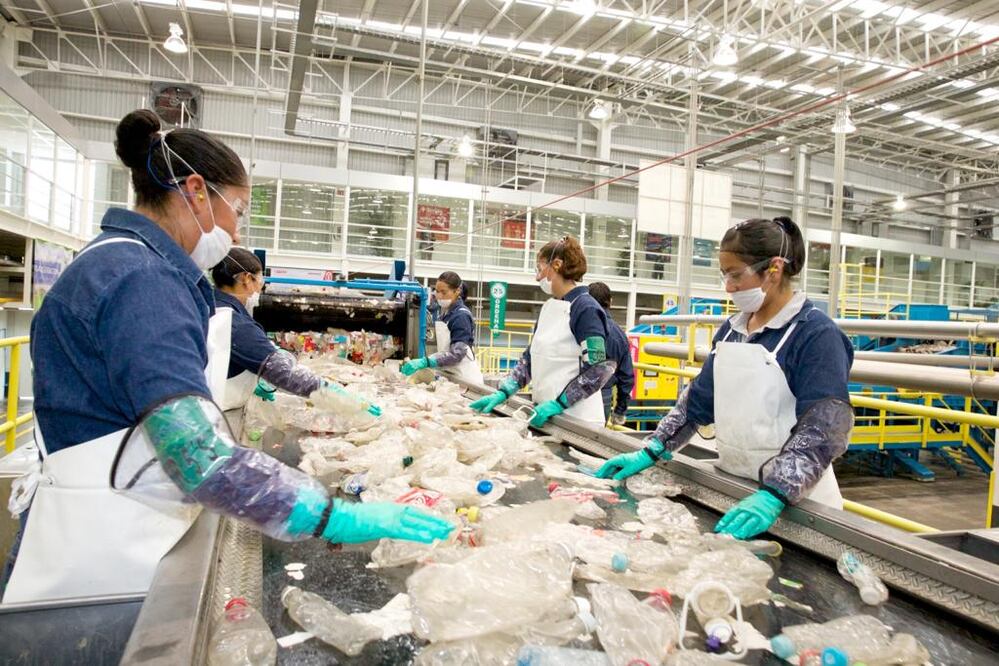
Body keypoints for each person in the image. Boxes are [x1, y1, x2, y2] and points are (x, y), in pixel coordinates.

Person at [2, 110, 451, 604]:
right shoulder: (141, 280)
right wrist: (333, 515)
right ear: (195, 191)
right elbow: (199, 458)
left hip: (106, 521)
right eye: (237, 208)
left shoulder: (117, 260)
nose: (236, 232)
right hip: (106, 559)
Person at [596, 217, 854, 540]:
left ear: (773, 269)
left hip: (800, 510)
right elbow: (696, 404)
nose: (729, 287)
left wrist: (775, 493)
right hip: (737, 491)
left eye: (736, 275)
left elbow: (824, 429)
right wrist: (653, 447)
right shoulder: (733, 330)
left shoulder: (815, 335)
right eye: (725, 275)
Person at [469, 236, 616, 428]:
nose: (537, 277)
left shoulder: (586, 309)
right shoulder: (548, 307)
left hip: (578, 420)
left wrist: (558, 404)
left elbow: (597, 370)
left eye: (539, 269)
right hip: (546, 415)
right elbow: (531, 358)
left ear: (556, 265)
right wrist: (505, 390)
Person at [210, 248, 379, 413]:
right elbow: (285, 373)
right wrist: (336, 394)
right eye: (259, 280)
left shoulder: (214, 306)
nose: (259, 289)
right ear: (246, 279)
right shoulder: (234, 321)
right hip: (217, 410)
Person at [401, 271, 484, 385]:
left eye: (444, 292)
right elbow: (444, 350)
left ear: (457, 291)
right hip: (451, 376)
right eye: (437, 291)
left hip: (465, 379)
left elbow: (457, 354)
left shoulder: (461, 316)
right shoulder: (444, 315)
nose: (439, 296)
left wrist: (427, 362)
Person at [588, 282, 635, 426]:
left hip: (572, 392)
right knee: (594, 439)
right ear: (611, 302)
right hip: (603, 395)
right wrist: (620, 411)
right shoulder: (620, 335)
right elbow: (626, 377)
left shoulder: (576, 325)